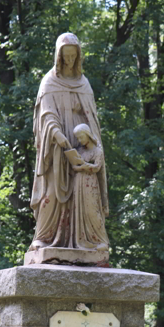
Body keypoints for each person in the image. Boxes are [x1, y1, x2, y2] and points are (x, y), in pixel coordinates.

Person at [29, 33, 108, 250]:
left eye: (74, 56)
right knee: (54, 191)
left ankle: (90, 239)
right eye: (66, 57)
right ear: (59, 57)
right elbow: (46, 115)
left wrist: (89, 144)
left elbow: (91, 117)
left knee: (85, 192)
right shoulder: (49, 82)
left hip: (82, 145)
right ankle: (44, 237)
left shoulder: (84, 84)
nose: (70, 61)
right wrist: (59, 137)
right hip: (57, 146)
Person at [67, 123, 109, 250]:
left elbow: (97, 167)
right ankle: (82, 240)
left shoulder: (97, 151)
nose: (79, 140)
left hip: (90, 183)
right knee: (79, 209)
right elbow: (74, 166)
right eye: (78, 138)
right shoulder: (79, 151)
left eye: (81, 137)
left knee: (92, 210)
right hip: (78, 182)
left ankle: (101, 240)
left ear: (87, 134)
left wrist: (85, 166)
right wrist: (80, 166)